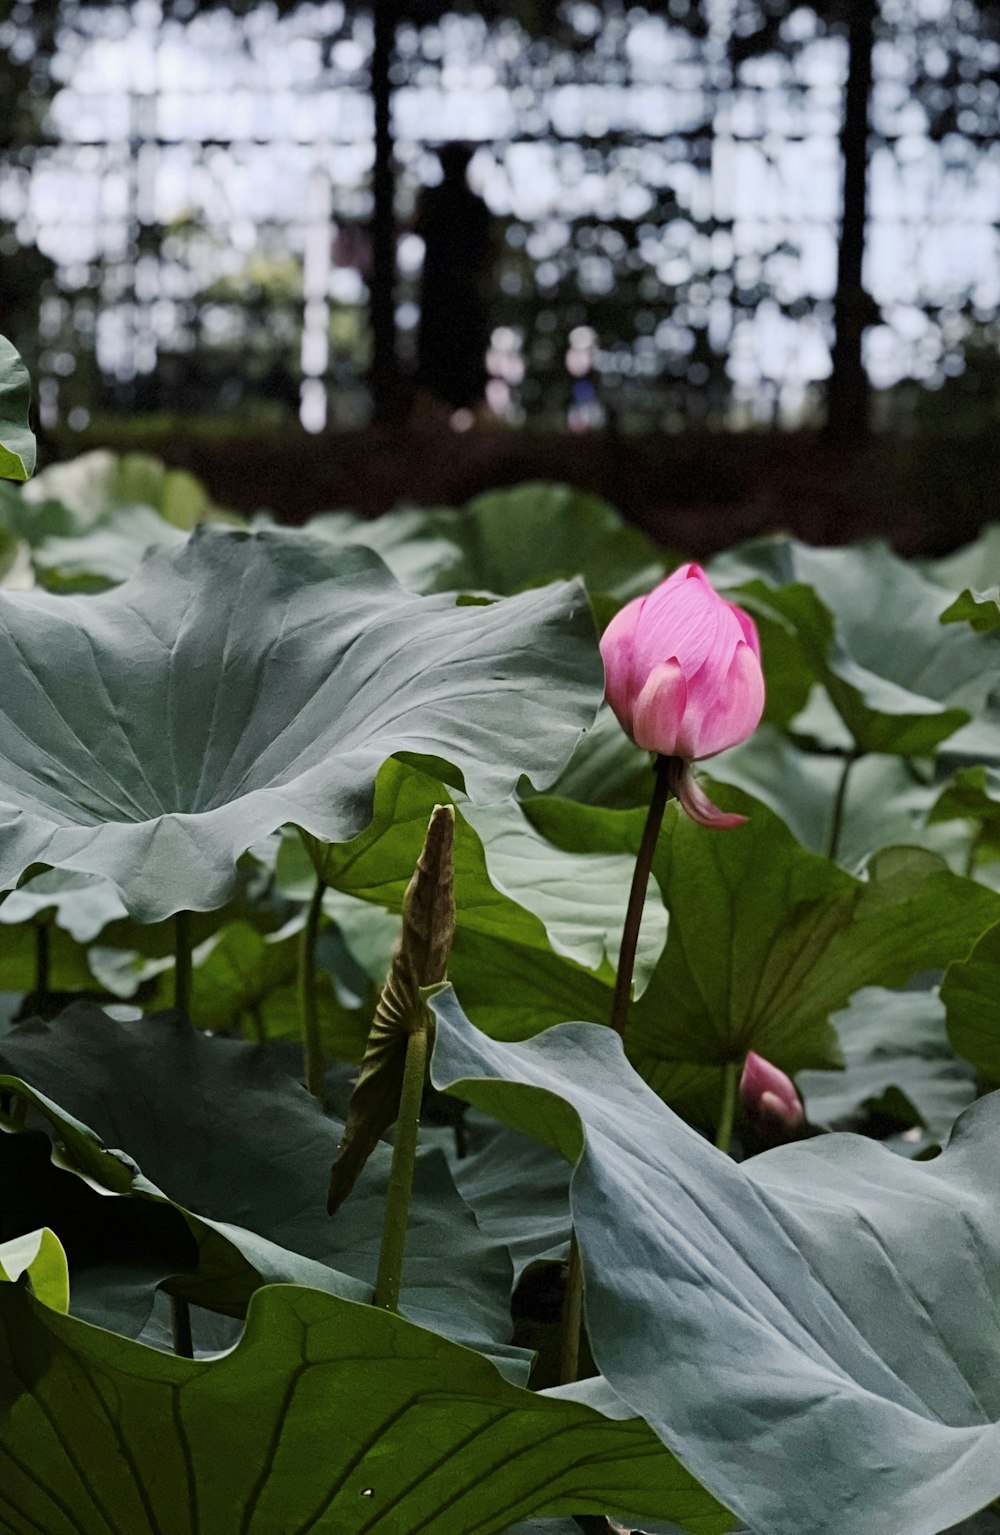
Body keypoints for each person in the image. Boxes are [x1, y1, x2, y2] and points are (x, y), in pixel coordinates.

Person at [413, 143, 492, 418]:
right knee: (456, 349)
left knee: (447, 349)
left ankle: (451, 407)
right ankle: (455, 408)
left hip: (444, 291)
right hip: (457, 292)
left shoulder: (435, 201)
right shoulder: (473, 205)